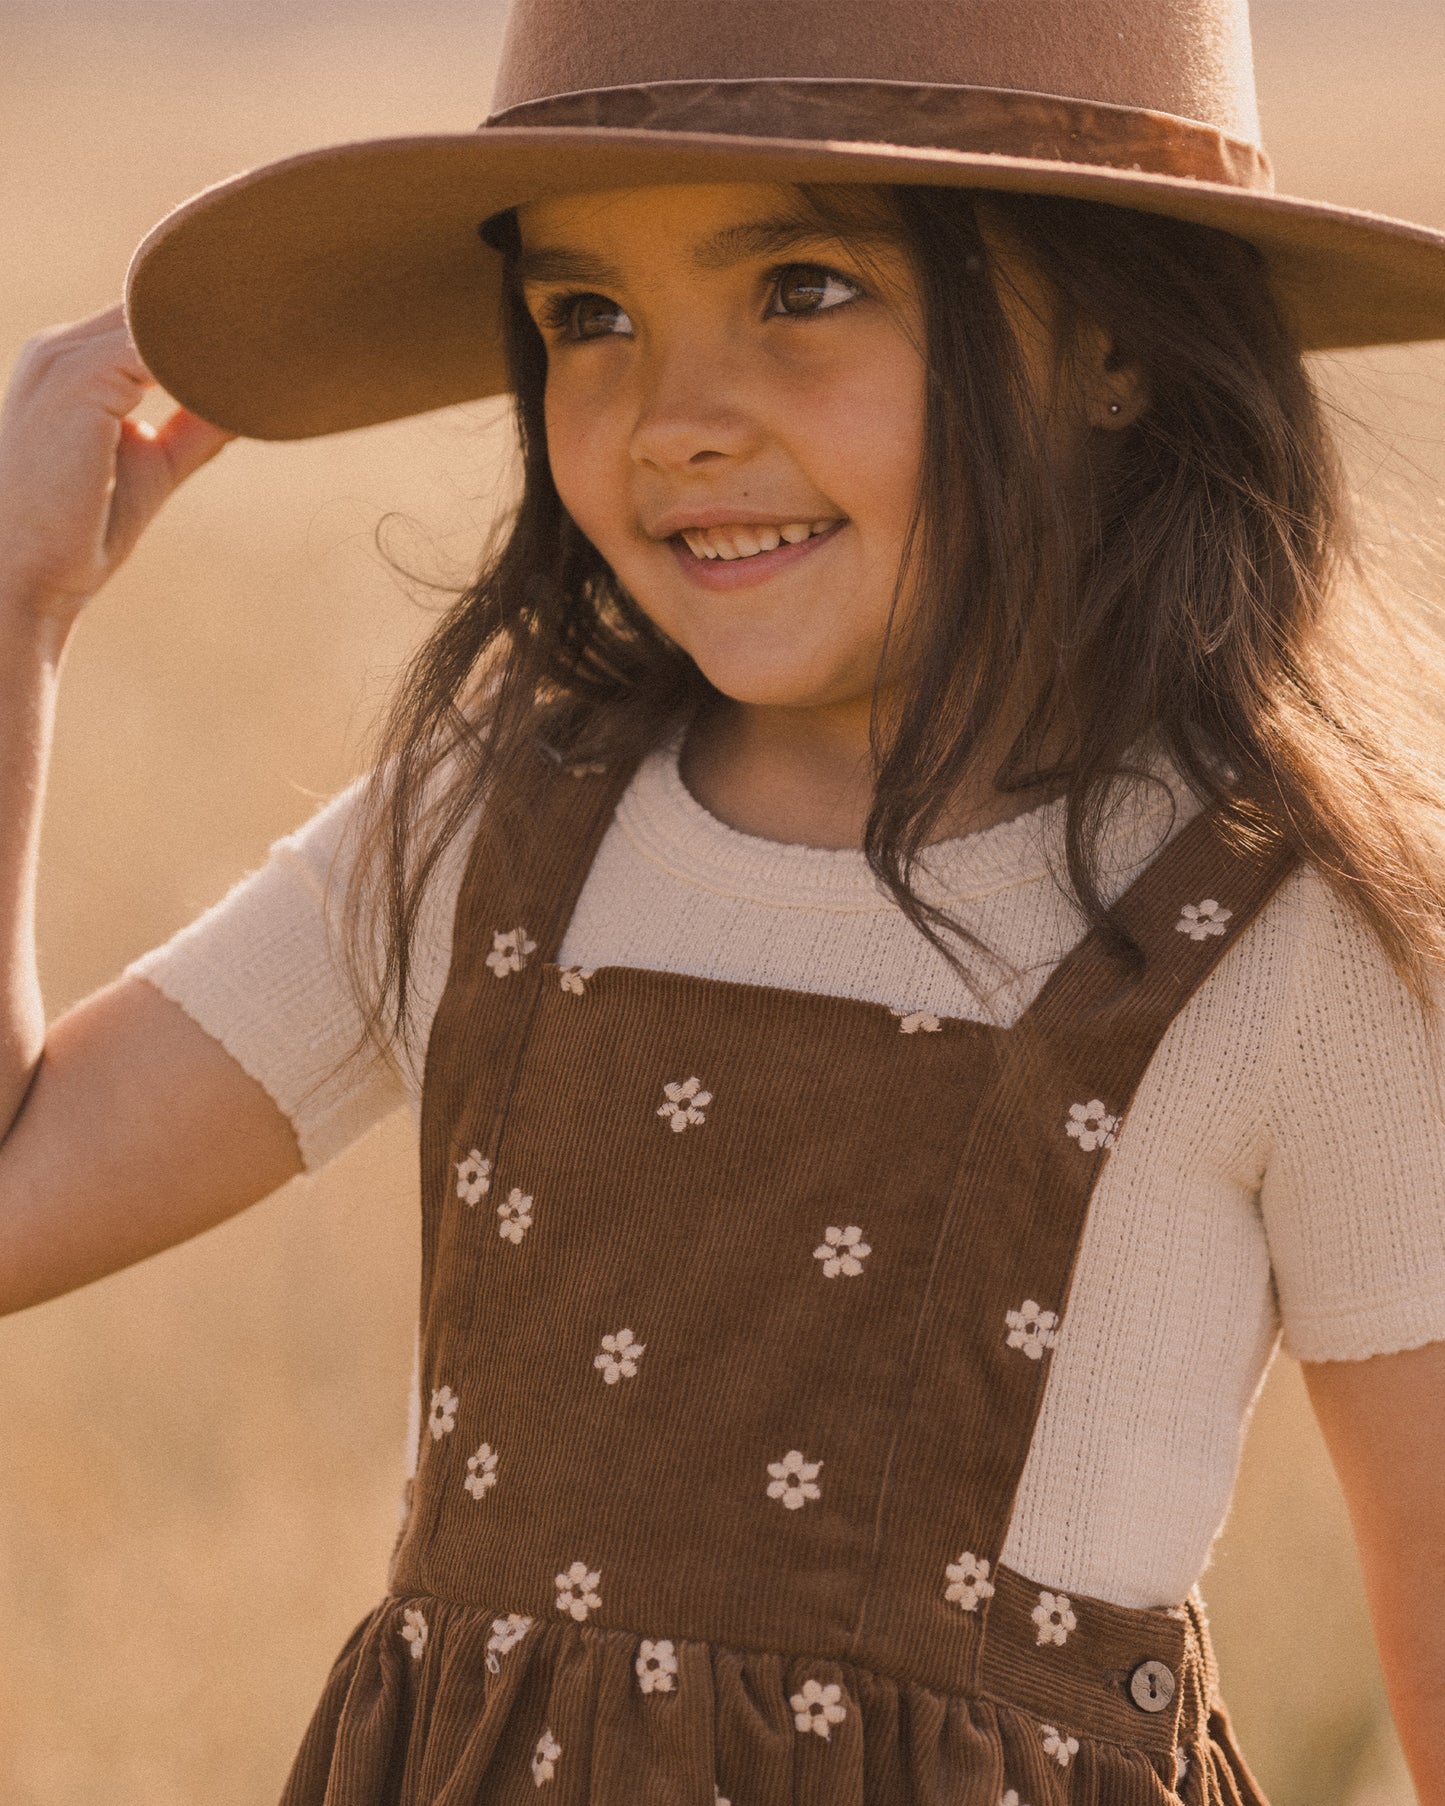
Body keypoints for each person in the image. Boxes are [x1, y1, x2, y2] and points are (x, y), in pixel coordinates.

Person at [3, 0, 1445, 1798]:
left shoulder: (1302, 935)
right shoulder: (492, 826)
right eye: (586, 317)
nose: (673, 419)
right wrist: (18, 612)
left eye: (802, 287)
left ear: (1114, 338)